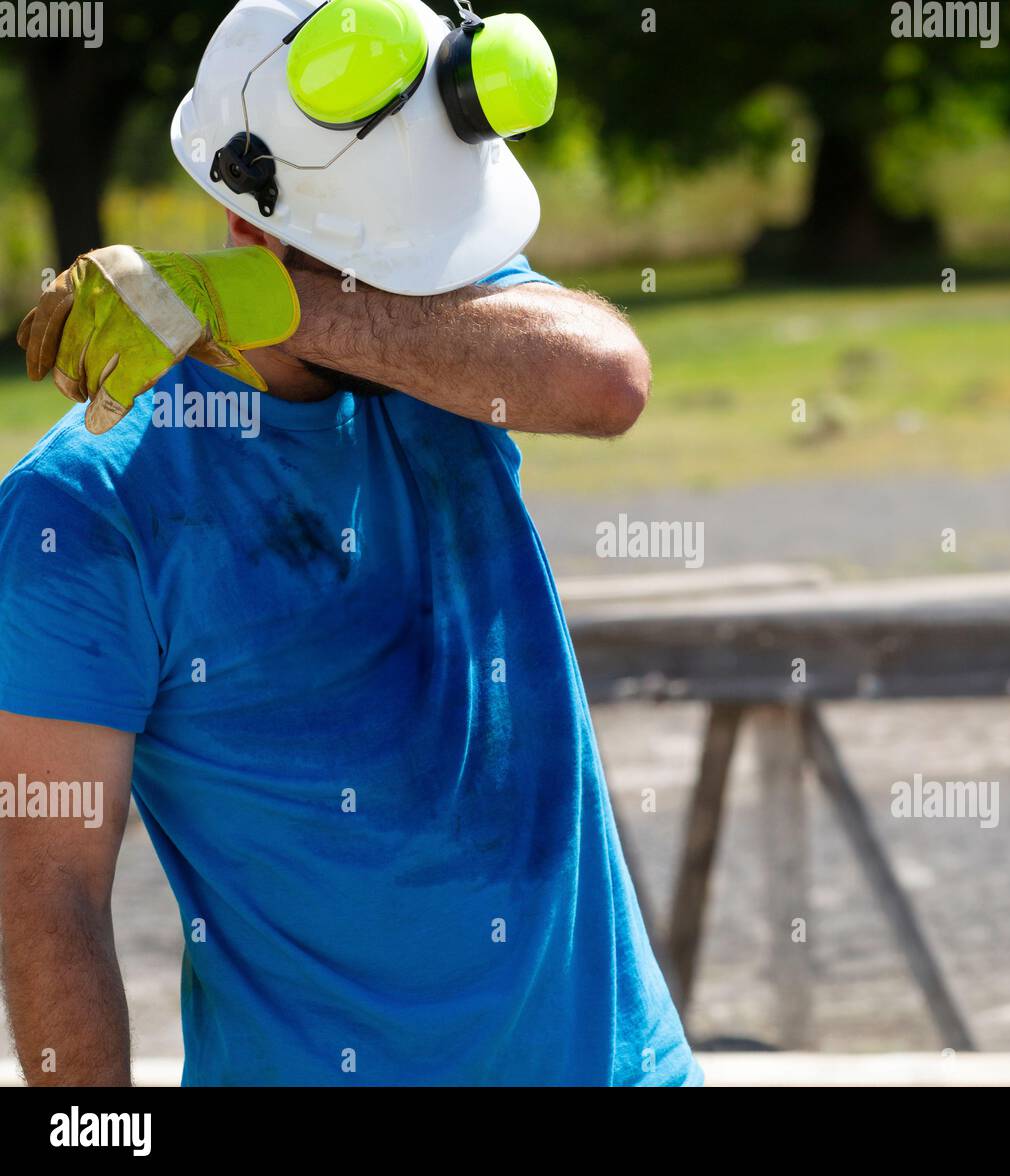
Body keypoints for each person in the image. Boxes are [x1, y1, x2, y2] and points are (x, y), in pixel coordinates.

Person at [0, 0, 700, 1087]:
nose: (439, 289)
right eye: (402, 261)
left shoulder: (439, 343)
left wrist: (285, 310)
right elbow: (47, 885)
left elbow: (607, 380)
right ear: (254, 225)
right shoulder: (88, 504)